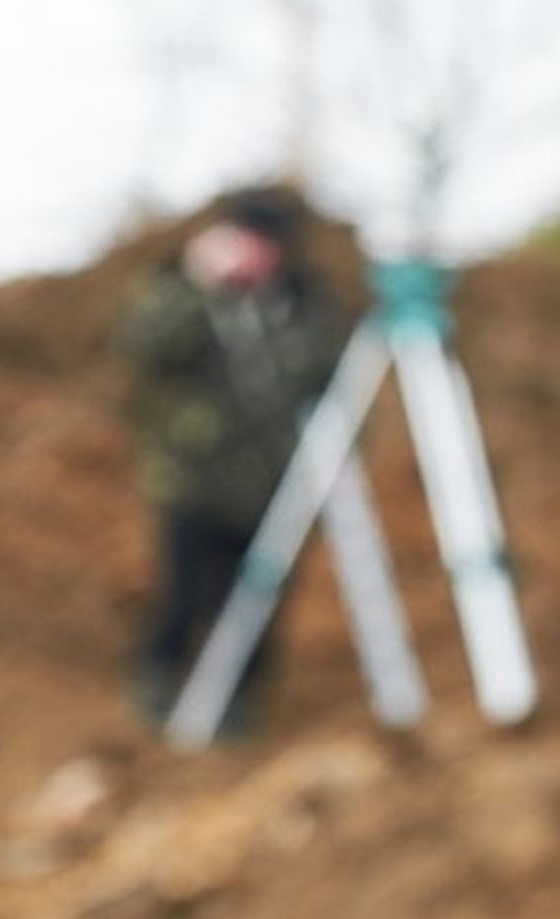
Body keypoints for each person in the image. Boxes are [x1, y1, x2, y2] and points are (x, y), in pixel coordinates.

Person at [119, 190, 348, 729]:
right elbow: (146, 351)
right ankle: (162, 678)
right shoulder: (184, 295)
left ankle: (237, 700)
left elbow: (334, 384)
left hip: (275, 483)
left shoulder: (305, 308)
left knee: (256, 598)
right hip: (194, 480)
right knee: (185, 593)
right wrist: (200, 284)